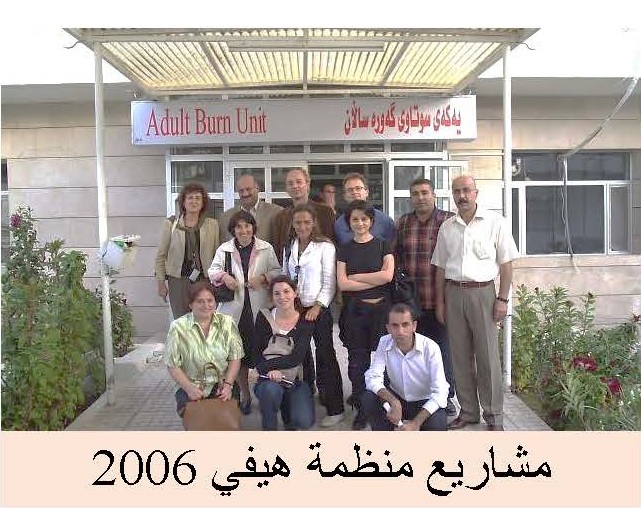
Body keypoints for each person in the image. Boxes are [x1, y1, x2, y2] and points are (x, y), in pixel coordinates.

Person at [431, 175, 519, 431]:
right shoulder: (447, 227)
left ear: (475, 192)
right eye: (457, 191)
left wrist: (502, 299)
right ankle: (469, 412)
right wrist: (440, 303)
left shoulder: (495, 222)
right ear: (452, 195)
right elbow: (440, 268)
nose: (462, 196)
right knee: (459, 357)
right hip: (453, 293)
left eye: (466, 190)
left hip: (484, 294)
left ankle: (494, 415)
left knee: (488, 357)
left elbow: (506, 265)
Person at [395, 178, 458, 416]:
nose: (420, 197)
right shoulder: (403, 223)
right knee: (415, 351)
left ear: (434, 195)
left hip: (440, 299)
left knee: (443, 351)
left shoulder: (448, 221)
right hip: (411, 302)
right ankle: (419, 395)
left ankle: (446, 396)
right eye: (415, 193)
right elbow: (396, 257)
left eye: (424, 192)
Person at [208, 210, 281, 415]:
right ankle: (245, 395)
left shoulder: (266, 248)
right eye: (238, 227)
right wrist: (224, 277)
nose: (243, 230)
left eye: (247, 226)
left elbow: (277, 270)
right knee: (237, 356)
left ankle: (266, 394)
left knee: (263, 353)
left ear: (253, 227)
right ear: (233, 230)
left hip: (259, 310)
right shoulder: (225, 249)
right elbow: (212, 271)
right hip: (234, 312)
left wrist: (264, 278)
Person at [282, 204, 345, 427]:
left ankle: (335, 407)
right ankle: (306, 398)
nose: (302, 226)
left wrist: (318, 306)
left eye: (307, 222)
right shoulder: (289, 246)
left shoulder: (325, 246)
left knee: (325, 355)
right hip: (296, 308)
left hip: (318, 308)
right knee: (301, 356)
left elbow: (329, 282)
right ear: (293, 224)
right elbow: (286, 276)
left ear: (314, 223)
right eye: (298, 222)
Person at [336, 199, 395, 429]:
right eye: (355, 219)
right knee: (357, 364)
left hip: (382, 311)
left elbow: (387, 277)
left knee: (384, 362)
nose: (360, 223)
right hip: (356, 312)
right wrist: (374, 277)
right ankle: (362, 408)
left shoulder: (383, 245)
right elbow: (343, 284)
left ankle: (384, 406)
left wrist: (357, 277)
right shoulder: (344, 248)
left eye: (364, 219)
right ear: (348, 222)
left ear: (371, 221)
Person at [164, 281, 244, 423]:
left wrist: (228, 385)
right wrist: (189, 389)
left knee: (225, 424)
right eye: (200, 301)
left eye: (210, 300)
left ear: (215, 302)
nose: (206, 305)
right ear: (191, 304)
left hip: (222, 385)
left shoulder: (227, 323)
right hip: (191, 386)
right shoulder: (178, 327)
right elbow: (172, 364)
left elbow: (235, 357)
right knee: (199, 425)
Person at [361, 303, 449, 431]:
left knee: (438, 424)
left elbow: (440, 392)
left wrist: (416, 423)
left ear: (414, 326)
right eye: (395, 325)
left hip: (423, 401)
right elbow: (372, 377)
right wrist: (393, 401)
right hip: (398, 399)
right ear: (388, 328)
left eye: (405, 325)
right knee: (369, 398)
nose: (400, 331)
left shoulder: (431, 348)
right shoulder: (384, 342)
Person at [252, 275, 316, 431]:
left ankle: (288, 409)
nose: (282, 297)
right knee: (270, 391)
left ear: (295, 293)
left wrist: (262, 368)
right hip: (269, 379)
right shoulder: (264, 316)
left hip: (296, 379)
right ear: (272, 297)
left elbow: (296, 358)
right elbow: (256, 351)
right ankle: (270, 428)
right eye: (277, 293)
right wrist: (269, 371)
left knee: (303, 421)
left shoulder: (306, 320)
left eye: (286, 291)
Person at [155, 183, 220, 319]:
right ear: (183, 202)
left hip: (204, 280)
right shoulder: (171, 224)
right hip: (178, 282)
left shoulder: (212, 225)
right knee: (182, 321)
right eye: (190, 197)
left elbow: (217, 256)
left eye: (198, 198)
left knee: (204, 319)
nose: (194, 201)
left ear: (203, 203)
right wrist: (161, 284)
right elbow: (161, 256)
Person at [272, 167, 336, 264]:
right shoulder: (281, 216)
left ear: (307, 184)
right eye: (290, 183)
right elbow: (278, 249)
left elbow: (332, 243)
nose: (295, 186)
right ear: (286, 188)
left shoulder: (325, 212)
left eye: (299, 182)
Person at [218, 174, 283, 245]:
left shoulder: (276, 212)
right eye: (241, 190)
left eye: (248, 189)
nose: (245, 194)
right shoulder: (226, 217)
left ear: (257, 189)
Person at [334, 173, 395, 246]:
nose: (354, 192)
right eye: (350, 190)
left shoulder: (385, 221)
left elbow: (391, 248)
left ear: (367, 192)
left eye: (358, 188)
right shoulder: (339, 224)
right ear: (344, 196)